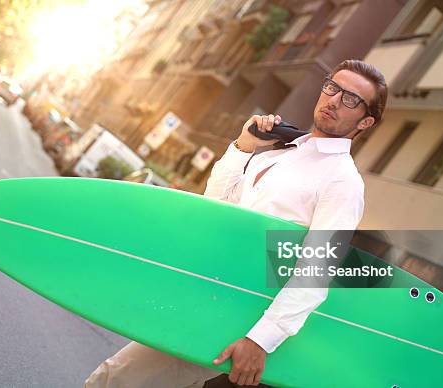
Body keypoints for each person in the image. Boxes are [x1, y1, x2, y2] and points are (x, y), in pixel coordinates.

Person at [84, 59, 387, 388]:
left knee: (115, 379)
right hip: (202, 294)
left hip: (230, 317)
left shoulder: (343, 182)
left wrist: (260, 340)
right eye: (332, 88)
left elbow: (316, 272)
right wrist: (244, 147)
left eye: (350, 99)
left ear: (365, 121)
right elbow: (215, 211)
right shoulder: (279, 153)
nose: (334, 100)